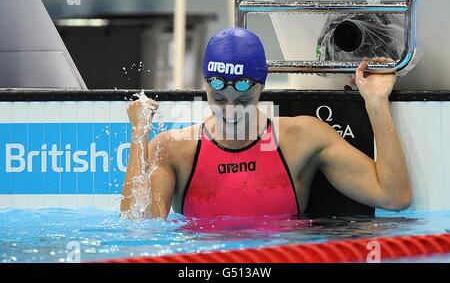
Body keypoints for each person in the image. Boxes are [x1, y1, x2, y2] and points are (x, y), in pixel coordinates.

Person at [120, 27, 411, 219]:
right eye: (219, 98)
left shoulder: (301, 139)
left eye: (243, 100)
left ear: (261, 88)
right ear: (205, 86)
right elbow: (135, 231)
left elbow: (394, 197)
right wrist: (138, 135)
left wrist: (376, 103)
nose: (231, 110)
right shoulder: (174, 150)